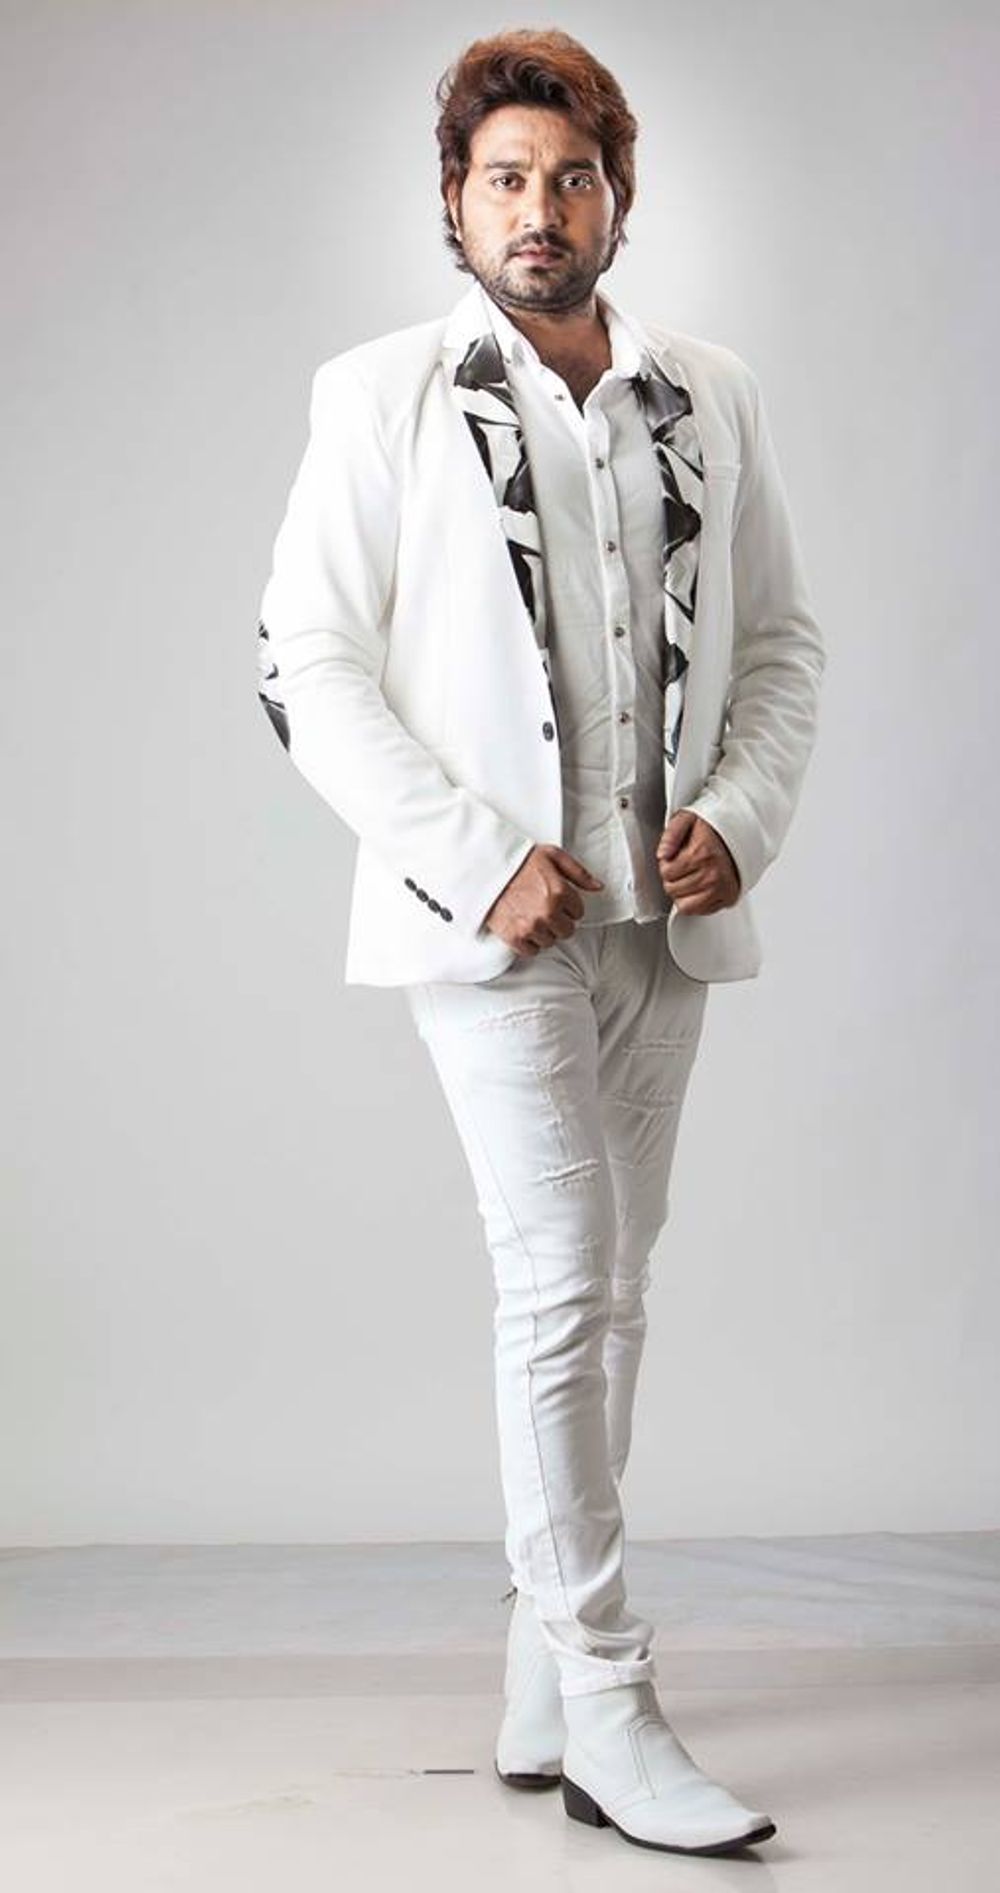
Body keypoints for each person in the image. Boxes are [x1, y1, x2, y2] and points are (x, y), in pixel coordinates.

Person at [256, 26, 825, 1858]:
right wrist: (471, 859)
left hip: (665, 918)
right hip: (494, 927)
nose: (539, 209)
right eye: (505, 178)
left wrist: (738, 814)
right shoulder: (381, 395)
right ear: (454, 201)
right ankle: (607, 1695)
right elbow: (303, 664)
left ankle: (535, 1658)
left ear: (619, 197)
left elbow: (782, 644)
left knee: (616, 1284)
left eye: (570, 178)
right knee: (563, 1281)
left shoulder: (709, 393)